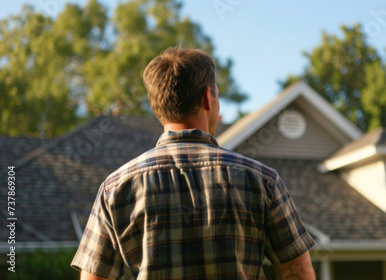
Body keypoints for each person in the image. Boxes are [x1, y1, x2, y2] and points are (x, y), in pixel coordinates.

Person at [71, 47, 316, 280]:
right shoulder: (262, 181)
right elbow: (300, 274)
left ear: (158, 107)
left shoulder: (115, 189)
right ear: (208, 98)